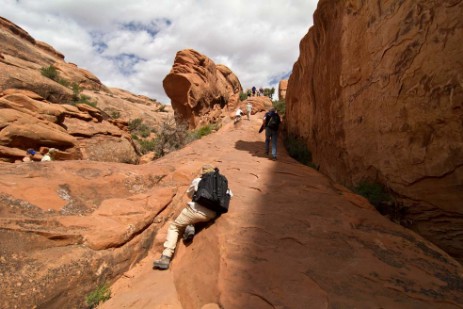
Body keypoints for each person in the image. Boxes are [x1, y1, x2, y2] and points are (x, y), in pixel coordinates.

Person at [153, 164, 233, 270]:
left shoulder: (199, 180)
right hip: (211, 215)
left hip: (195, 210)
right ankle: (190, 226)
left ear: (203, 172)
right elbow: (230, 195)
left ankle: (166, 256)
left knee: (174, 227)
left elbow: (189, 194)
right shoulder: (222, 182)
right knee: (193, 219)